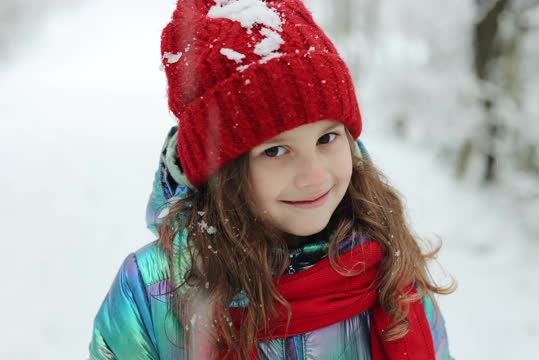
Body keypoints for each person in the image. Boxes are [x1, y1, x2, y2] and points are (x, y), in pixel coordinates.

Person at [89, 0, 455, 358]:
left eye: (327, 138)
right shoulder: (150, 293)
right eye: (276, 151)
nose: (314, 176)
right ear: (222, 173)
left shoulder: (390, 269)